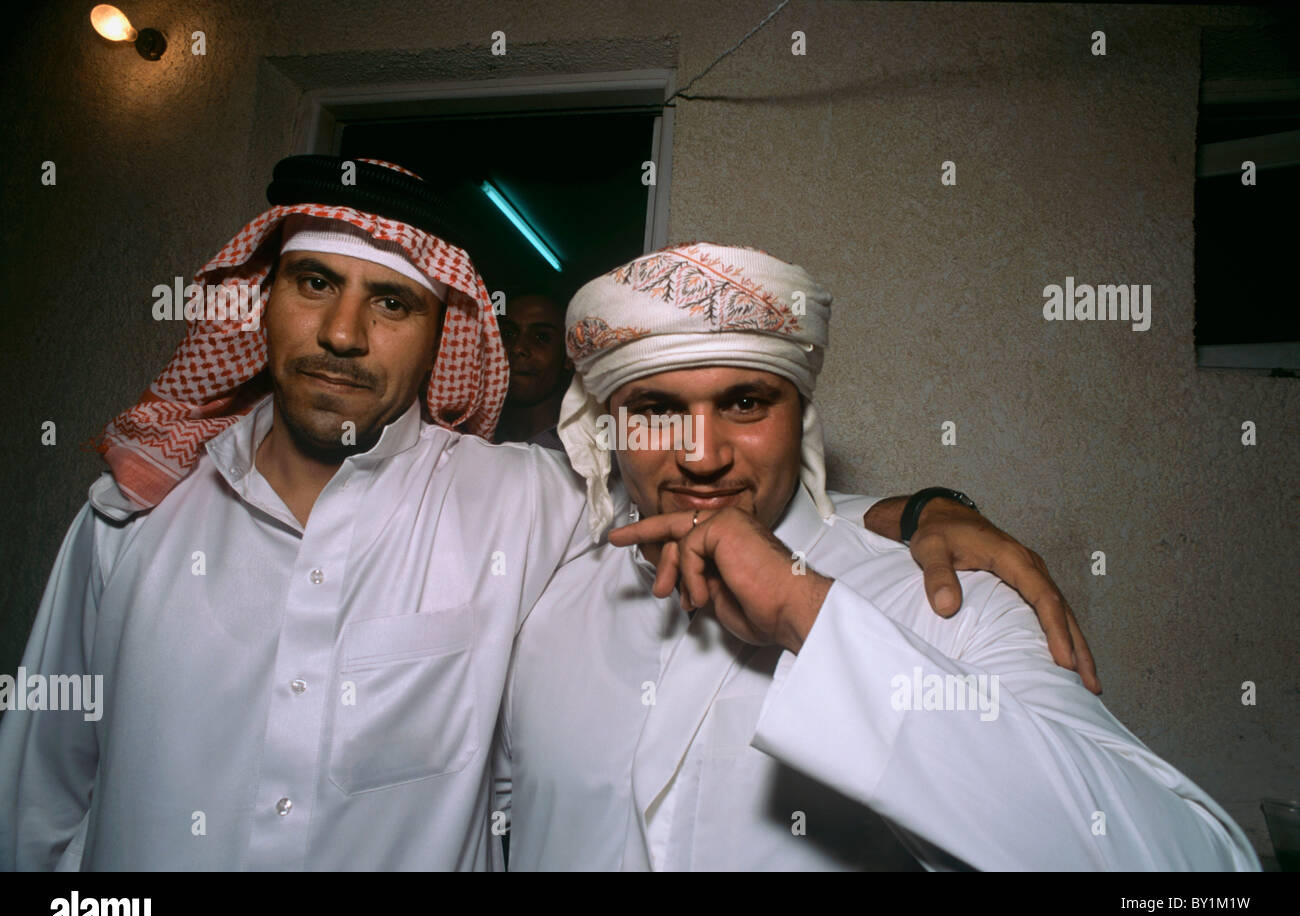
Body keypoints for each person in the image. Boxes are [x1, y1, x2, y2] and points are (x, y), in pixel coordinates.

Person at [0, 158, 1092, 871]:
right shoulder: (129, 519)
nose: (342, 332)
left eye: (391, 301)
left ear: (440, 335)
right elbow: (41, 799)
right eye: (312, 284)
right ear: (258, 299)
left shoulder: (520, 503)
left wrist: (915, 512)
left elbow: (714, 496)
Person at [494, 242, 1259, 871]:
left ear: (801, 417)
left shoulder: (944, 597)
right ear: (609, 430)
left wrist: (813, 618)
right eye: (657, 410)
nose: (702, 454)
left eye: (745, 402)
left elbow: (1200, 879)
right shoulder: (549, 601)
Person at [493, 294, 571, 449]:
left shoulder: (587, 452)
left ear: (569, 356)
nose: (518, 348)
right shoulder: (468, 435)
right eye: (508, 334)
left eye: (541, 337)